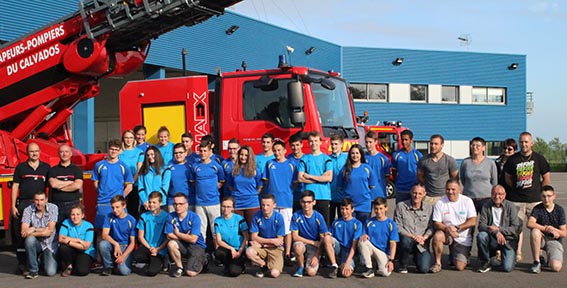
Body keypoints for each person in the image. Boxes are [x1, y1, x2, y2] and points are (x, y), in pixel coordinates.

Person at [505, 131, 551, 262]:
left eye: (526, 142)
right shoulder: (513, 159)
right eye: (521, 142)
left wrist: (539, 190)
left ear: (531, 143)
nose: (523, 144)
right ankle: (517, 253)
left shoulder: (539, 159)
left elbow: (546, 177)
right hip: (516, 200)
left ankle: (539, 255)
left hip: (535, 201)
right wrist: (516, 188)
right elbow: (508, 178)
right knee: (516, 229)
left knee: (538, 229)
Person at [11, 142, 50, 275]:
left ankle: (39, 261)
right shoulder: (21, 168)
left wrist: (47, 203)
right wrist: (12, 205)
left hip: (40, 205)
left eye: (36, 151)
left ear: (40, 152)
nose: (34, 154)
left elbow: (49, 187)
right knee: (21, 235)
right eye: (32, 151)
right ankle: (22, 264)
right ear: (27, 153)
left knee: (41, 233)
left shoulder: (46, 168)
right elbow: (15, 186)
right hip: (24, 204)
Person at [429, 179, 476, 273]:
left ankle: (458, 255)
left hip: (462, 237)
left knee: (460, 267)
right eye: (448, 189)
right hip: (447, 234)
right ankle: (438, 263)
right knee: (438, 236)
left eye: (453, 189)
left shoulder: (467, 201)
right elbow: (436, 223)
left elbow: (473, 221)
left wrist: (457, 227)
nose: (450, 192)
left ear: (459, 190)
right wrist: (448, 229)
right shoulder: (440, 202)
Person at [262, 139, 295, 262]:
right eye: (275, 151)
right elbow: (265, 180)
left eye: (279, 150)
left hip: (286, 201)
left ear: (285, 151)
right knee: (272, 228)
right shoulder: (269, 163)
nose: (277, 153)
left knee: (287, 229)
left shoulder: (291, 164)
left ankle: (287, 253)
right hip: (272, 203)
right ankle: (272, 252)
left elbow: (295, 182)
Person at [290, 190, 336, 278]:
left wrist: (316, 255)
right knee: (298, 247)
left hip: (315, 247)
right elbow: (295, 237)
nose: (306, 204)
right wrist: (311, 242)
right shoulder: (296, 216)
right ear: (300, 202)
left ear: (314, 202)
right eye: (303, 202)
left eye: (308, 202)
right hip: (302, 243)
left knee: (311, 272)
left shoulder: (319, 217)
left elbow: (322, 240)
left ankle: (309, 262)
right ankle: (300, 267)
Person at [476, 185, 521, 273]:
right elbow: (481, 226)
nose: (497, 197)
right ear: (491, 194)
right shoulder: (486, 206)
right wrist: (495, 232)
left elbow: (515, 228)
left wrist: (499, 229)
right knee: (481, 236)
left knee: (507, 268)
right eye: (494, 194)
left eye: (500, 194)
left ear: (504, 195)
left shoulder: (511, 206)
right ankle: (486, 261)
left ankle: (507, 257)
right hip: (492, 237)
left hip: (507, 240)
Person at [189, 140, 225, 245]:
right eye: (201, 151)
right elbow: (193, 182)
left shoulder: (216, 166)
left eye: (205, 151)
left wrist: (213, 188)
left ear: (210, 152)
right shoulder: (195, 166)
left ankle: (218, 256)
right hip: (199, 203)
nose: (203, 153)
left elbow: (221, 181)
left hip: (214, 202)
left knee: (216, 232)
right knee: (200, 231)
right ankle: (201, 256)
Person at [93, 140, 133, 229]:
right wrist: (102, 193)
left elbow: (129, 186)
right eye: (111, 149)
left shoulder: (124, 166)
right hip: (103, 203)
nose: (113, 151)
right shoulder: (98, 165)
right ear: (108, 149)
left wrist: (119, 198)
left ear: (119, 151)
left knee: (120, 229)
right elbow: (95, 183)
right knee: (101, 230)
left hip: (118, 205)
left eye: (116, 149)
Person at [166, 193, 208, 278]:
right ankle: (180, 268)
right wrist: (186, 236)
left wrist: (178, 234)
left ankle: (204, 259)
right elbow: (169, 235)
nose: (177, 206)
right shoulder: (170, 216)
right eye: (175, 204)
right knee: (171, 244)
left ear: (186, 205)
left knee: (190, 273)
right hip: (183, 244)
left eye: (180, 204)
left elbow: (193, 239)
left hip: (197, 245)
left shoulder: (194, 217)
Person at [393, 184, 433, 274]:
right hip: (407, 239)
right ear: (411, 193)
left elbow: (432, 227)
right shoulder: (401, 206)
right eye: (414, 193)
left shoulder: (429, 208)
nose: (417, 196)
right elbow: (397, 226)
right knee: (405, 241)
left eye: (420, 193)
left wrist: (425, 237)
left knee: (424, 269)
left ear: (424, 194)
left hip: (421, 243)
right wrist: (413, 236)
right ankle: (402, 264)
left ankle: (417, 257)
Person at [527, 185, 566, 273]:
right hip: (541, 238)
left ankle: (550, 260)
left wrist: (555, 230)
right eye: (544, 196)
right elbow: (530, 223)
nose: (546, 199)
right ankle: (537, 261)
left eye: (549, 196)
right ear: (540, 197)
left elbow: (564, 233)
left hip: (554, 240)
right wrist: (546, 229)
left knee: (556, 267)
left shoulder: (559, 210)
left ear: (554, 196)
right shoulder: (538, 208)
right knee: (535, 231)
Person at [245, 193, 286, 278]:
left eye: (268, 205)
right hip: (262, 247)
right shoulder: (257, 215)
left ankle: (271, 266)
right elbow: (253, 237)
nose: (265, 208)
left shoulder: (279, 217)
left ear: (274, 205)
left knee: (275, 274)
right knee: (249, 251)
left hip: (275, 249)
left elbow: (279, 241)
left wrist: (262, 243)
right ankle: (264, 265)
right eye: (263, 205)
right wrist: (271, 241)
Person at [20, 190, 58, 279]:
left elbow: (50, 231)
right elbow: (24, 232)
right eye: (37, 200)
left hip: (50, 244)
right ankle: (33, 271)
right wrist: (42, 231)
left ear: (46, 200)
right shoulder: (28, 210)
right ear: (33, 200)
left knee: (50, 272)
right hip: (37, 243)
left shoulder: (53, 208)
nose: (39, 203)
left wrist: (34, 228)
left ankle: (43, 259)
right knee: (29, 240)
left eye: (41, 200)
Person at [358, 197, 399, 278]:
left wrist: (391, 260)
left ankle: (377, 266)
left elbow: (393, 244)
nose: (378, 211)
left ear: (386, 208)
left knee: (386, 273)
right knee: (362, 241)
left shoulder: (391, 224)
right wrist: (364, 235)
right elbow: (362, 237)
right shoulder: (369, 222)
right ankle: (369, 268)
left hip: (383, 252)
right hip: (371, 248)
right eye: (376, 209)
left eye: (381, 208)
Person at [298, 131, 333, 226]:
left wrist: (309, 176)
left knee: (324, 225)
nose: (314, 143)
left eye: (316, 141)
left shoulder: (327, 159)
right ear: (308, 143)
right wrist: (321, 178)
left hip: (323, 196)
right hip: (308, 197)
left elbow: (329, 178)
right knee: (310, 225)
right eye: (311, 141)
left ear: (320, 142)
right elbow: (300, 178)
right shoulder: (304, 159)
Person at [337, 144, 377, 223]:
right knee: (350, 230)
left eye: (357, 153)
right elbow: (339, 186)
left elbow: (372, 185)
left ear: (361, 154)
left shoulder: (366, 168)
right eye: (353, 153)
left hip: (364, 205)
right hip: (349, 206)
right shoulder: (344, 170)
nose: (355, 155)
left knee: (363, 231)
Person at [98, 195, 137, 276]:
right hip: (114, 244)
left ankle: (123, 263)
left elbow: (132, 243)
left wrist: (123, 256)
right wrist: (115, 244)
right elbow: (104, 235)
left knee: (124, 272)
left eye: (117, 207)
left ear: (124, 205)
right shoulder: (109, 216)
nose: (115, 210)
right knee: (103, 244)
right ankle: (109, 266)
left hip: (125, 246)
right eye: (113, 207)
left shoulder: (131, 220)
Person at [133, 191, 169, 276]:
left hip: (160, 249)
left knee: (151, 272)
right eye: (150, 202)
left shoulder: (166, 217)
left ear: (160, 203)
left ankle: (162, 261)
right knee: (136, 256)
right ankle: (149, 262)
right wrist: (150, 248)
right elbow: (140, 237)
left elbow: (168, 237)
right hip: (147, 247)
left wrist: (158, 249)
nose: (151, 204)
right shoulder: (144, 216)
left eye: (154, 202)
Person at [417, 134, 458, 205]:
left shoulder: (450, 160)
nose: (433, 146)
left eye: (436, 144)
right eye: (431, 144)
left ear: (442, 145)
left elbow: (455, 178)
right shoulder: (423, 160)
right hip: (428, 197)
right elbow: (420, 176)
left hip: (444, 197)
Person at [227, 145, 263, 226]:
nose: (243, 157)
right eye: (241, 154)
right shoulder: (233, 170)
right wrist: (237, 194)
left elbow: (260, 186)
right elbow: (229, 185)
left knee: (253, 228)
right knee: (239, 229)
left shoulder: (255, 170)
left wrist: (252, 195)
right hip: (237, 203)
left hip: (252, 204)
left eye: (246, 155)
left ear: (250, 156)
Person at [48, 144, 84, 225]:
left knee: (73, 229)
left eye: (66, 152)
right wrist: (70, 183)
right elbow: (53, 184)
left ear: (71, 153)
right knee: (57, 230)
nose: (64, 154)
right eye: (61, 152)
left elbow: (77, 185)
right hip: (57, 205)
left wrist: (59, 187)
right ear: (58, 154)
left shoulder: (77, 170)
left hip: (73, 204)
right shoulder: (53, 170)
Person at [213, 196, 249, 277]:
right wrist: (231, 249)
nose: (225, 209)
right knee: (218, 252)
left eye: (228, 207)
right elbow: (219, 241)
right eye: (224, 206)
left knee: (233, 273)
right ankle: (227, 265)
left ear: (233, 208)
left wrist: (239, 251)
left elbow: (246, 237)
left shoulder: (239, 219)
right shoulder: (217, 221)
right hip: (228, 248)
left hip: (239, 249)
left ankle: (241, 264)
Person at [460, 137, 498, 212]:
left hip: (486, 198)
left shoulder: (490, 163)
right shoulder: (465, 162)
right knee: (469, 222)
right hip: (469, 198)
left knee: (486, 222)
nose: (475, 147)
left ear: (483, 148)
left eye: (478, 145)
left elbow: (494, 182)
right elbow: (463, 180)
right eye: (473, 145)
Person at [328, 198, 363, 278]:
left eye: (347, 209)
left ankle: (349, 262)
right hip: (339, 249)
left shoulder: (357, 224)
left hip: (350, 251)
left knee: (345, 274)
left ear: (352, 210)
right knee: (327, 238)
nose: (344, 211)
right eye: (342, 209)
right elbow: (329, 239)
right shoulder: (336, 222)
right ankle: (334, 265)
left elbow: (354, 246)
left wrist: (347, 263)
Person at [58, 204, 96, 277]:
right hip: (72, 250)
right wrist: (78, 240)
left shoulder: (89, 226)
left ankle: (78, 265)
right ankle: (69, 265)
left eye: (78, 214)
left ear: (82, 215)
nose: (75, 217)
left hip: (85, 252)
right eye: (73, 214)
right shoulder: (66, 222)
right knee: (63, 247)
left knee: (82, 272)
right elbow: (61, 238)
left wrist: (68, 240)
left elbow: (86, 246)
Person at [391, 130, 422, 203]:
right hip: (401, 190)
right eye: (402, 139)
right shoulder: (396, 155)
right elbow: (394, 171)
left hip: (414, 190)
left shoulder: (418, 155)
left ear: (411, 140)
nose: (404, 142)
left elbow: (422, 173)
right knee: (400, 212)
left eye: (406, 140)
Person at [120, 129, 144, 220]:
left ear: (134, 139)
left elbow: (139, 169)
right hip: (121, 185)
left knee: (133, 211)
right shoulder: (119, 152)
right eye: (126, 138)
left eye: (131, 138)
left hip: (134, 185)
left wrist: (131, 182)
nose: (128, 140)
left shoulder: (139, 152)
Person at [137, 146, 171, 211]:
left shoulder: (166, 170)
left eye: (152, 154)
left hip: (160, 205)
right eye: (148, 155)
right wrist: (145, 201)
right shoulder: (143, 170)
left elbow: (165, 188)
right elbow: (141, 187)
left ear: (157, 154)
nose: (150, 157)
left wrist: (154, 202)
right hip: (146, 204)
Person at [364, 131, 391, 200]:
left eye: (370, 142)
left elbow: (387, 178)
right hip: (366, 194)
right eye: (366, 142)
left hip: (379, 193)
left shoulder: (383, 159)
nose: (368, 144)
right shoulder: (362, 158)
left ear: (376, 142)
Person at [167, 143, 192, 212]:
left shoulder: (191, 166)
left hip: (188, 201)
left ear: (185, 153)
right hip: (172, 202)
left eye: (180, 152)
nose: (178, 155)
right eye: (176, 153)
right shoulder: (168, 167)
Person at [329, 134, 348, 221]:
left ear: (341, 145)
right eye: (332, 144)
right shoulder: (327, 159)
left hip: (343, 197)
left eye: (336, 144)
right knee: (329, 222)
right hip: (330, 196)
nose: (334, 146)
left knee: (343, 221)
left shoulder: (347, 158)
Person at [286, 134, 304, 212]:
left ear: (301, 144)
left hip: (304, 194)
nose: (295, 148)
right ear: (290, 146)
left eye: (297, 145)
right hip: (292, 195)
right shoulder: (287, 160)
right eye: (293, 145)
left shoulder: (307, 158)